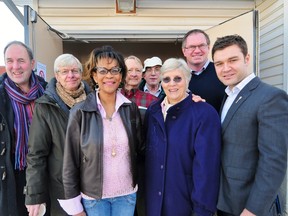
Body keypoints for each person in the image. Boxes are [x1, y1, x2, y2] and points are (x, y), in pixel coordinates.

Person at [59, 46, 143, 216]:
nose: (109, 75)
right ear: (94, 75)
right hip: (93, 198)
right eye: (103, 70)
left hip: (126, 195)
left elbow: (139, 151)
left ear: (121, 75)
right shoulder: (80, 112)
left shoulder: (131, 109)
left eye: (115, 70)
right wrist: (74, 207)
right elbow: (70, 162)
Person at [212, 35, 288, 216]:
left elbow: (274, 160)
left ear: (247, 58)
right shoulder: (229, 95)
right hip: (226, 202)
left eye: (232, 60)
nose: (226, 68)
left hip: (249, 206)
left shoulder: (270, 97)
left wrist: (253, 210)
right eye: (219, 63)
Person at [144, 58, 221, 216]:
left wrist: (202, 211)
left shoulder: (204, 113)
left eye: (178, 78)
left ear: (188, 79)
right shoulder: (153, 111)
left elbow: (207, 169)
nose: (172, 84)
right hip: (154, 205)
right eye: (166, 79)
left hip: (184, 205)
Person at [24, 54, 91, 216]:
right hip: (62, 190)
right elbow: (36, 154)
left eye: (75, 71)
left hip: (93, 187)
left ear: (81, 74)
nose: (70, 76)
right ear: (56, 76)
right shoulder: (45, 107)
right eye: (64, 72)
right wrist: (34, 195)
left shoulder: (94, 101)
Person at [0, 41, 47, 216]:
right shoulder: (1, 96)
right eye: (9, 61)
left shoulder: (48, 92)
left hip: (45, 172)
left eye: (21, 60)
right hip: (12, 175)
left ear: (32, 63)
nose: (15, 67)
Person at [182, 29, 226, 112]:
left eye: (202, 45)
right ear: (184, 51)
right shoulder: (177, 77)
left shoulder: (222, 72)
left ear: (208, 48)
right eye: (192, 47)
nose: (197, 51)